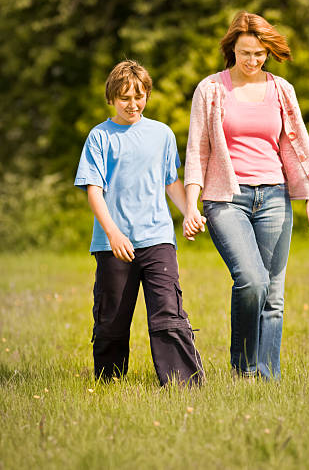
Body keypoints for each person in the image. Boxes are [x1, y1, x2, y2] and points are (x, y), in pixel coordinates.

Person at [183, 11, 309, 380]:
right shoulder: (211, 89)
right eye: (245, 53)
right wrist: (191, 204)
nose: (252, 60)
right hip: (226, 199)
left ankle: (267, 377)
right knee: (252, 280)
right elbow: (197, 149)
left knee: (273, 295)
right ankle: (244, 369)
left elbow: (296, 144)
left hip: (275, 197)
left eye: (259, 53)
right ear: (232, 49)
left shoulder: (281, 90)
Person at [74, 60, 205, 386]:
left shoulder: (161, 133)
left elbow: (169, 181)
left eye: (139, 96)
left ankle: (182, 384)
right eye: (124, 98)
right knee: (112, 317)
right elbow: (94, 191)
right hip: (114, 243)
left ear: (147, 94)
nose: (132, 104)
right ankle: (109, 381)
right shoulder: (100, 137)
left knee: (168, 311)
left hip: (158, 237)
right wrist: (113, 232)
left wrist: (190, 209)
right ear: (112, 98)